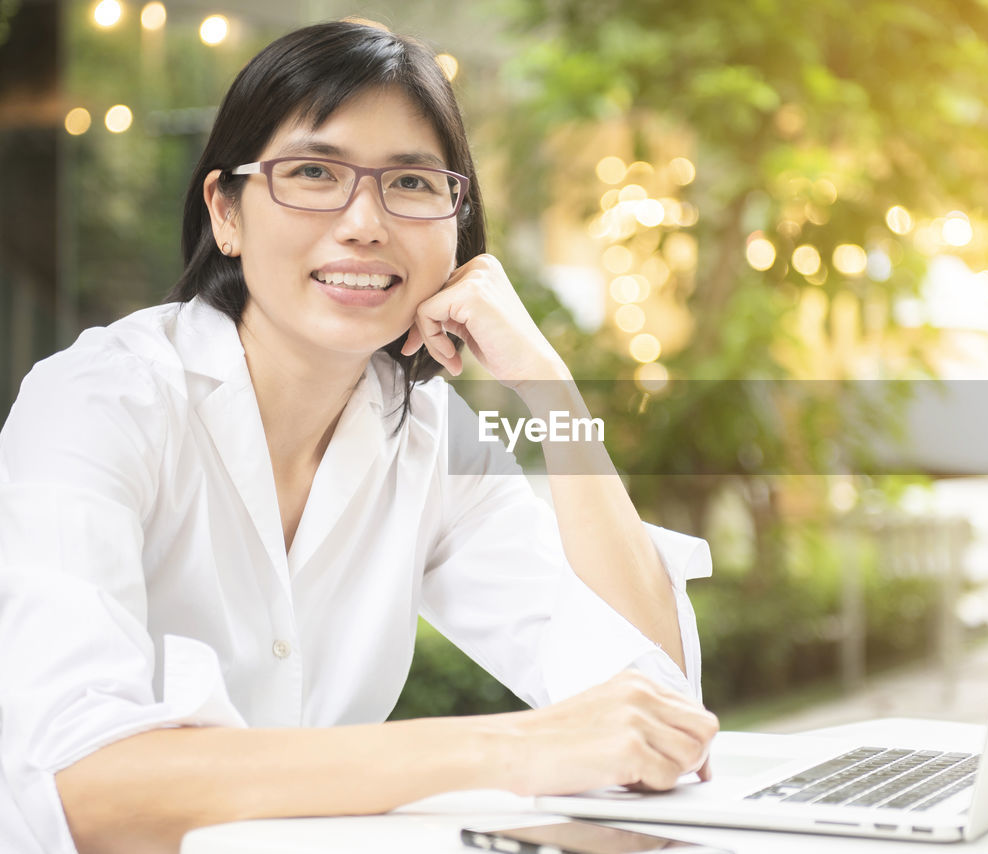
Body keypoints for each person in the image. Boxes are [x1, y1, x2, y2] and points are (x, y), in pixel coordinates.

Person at [0, 19, 717, 854]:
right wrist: (507, 748)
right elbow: (78, 788)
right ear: (225, 213)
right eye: (313, 173)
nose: (365, 222)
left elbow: (653, 700)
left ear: (456, 224)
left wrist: (547, 387)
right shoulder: (99, 403)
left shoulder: (427, 435)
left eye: (411, 183)